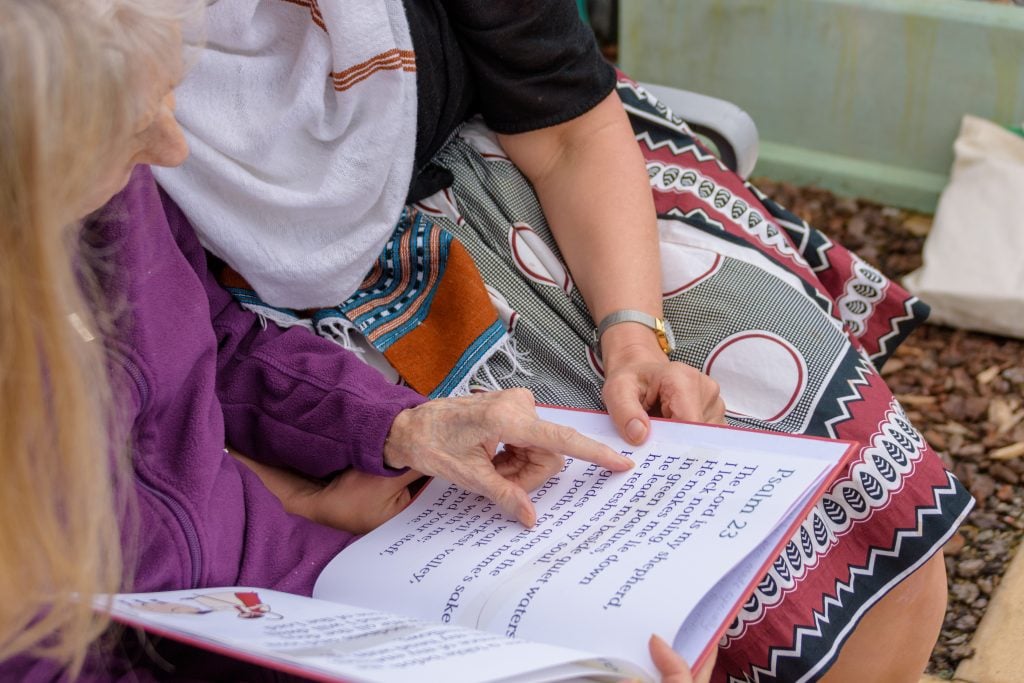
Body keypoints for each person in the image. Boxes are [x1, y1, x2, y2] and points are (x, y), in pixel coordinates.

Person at [151, 2, 973, 682]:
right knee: (557, 578)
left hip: (522, 186)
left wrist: (633, 335)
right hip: (247, 328)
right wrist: (310, 485)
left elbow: (569, 125)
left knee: (812, 426)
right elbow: (141, 380)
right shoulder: (86, 89)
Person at [0, 0, 647, 679]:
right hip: (227, 636)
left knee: (620, 640)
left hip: (304, 586)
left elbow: (218, 343)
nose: (173, 151)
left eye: (167, 96)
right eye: (131, 132)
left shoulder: (108, 172)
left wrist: (398, 424)